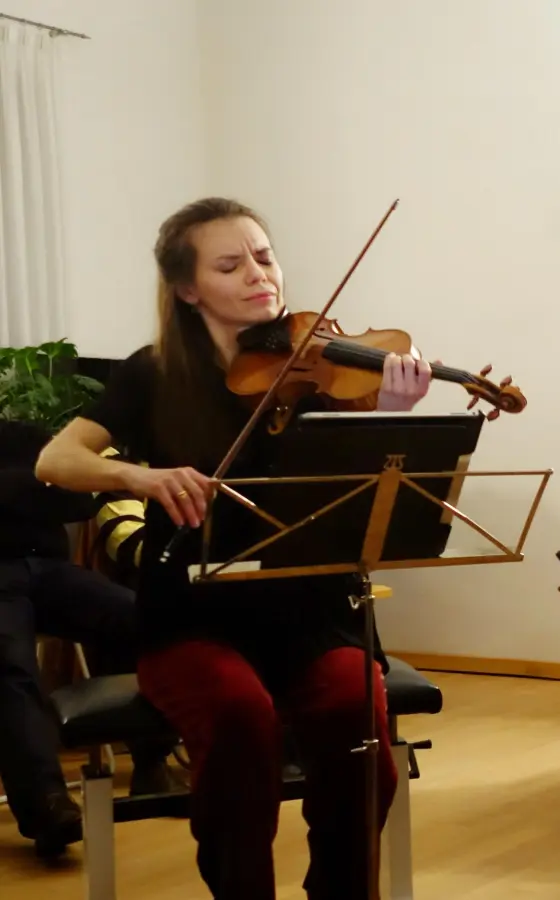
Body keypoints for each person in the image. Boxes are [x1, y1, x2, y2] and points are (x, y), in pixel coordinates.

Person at [35, 197, 434, 899]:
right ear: (189, 289)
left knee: (358, 721)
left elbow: (368, 503)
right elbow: (57, 459)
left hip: (313, 612)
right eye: (230, 264)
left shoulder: (326, 375)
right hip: (193, 618)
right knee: (238, 716)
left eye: (264, 255)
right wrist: (139, 474)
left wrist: (389, 420)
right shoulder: (152, 375)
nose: (260, 274)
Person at [0, 420, 175, 858]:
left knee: (150, 621)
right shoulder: (30, 455)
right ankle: (47, 806)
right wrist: (34, 486)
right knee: (11, 666)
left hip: (51, 572)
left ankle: (151, 762)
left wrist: (19, 489)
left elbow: (78, 499)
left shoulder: (22, 435)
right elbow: (53, 490)